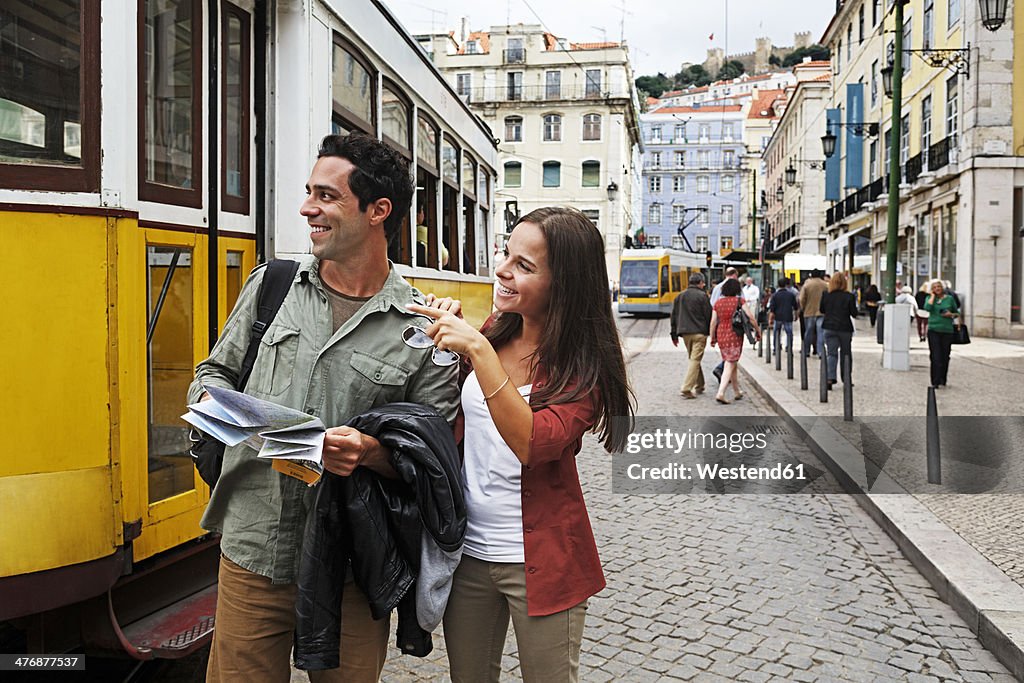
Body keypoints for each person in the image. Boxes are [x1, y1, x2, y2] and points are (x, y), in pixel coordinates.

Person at [188, 133, 460, 683]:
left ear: (378, 210)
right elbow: (210, 378)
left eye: (327, 196)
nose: (307, 207)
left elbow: (431, 460)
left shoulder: (422, 327)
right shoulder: (273, 285)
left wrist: (369, 453)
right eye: (309, 192)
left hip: (352, 567)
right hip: (253, 550)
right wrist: (243, 421)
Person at [407, 207, 635, 683]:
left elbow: (532, 443)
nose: (502, 270)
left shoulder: (582, 369)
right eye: (506, 254)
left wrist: (477, 349)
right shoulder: (495, 331)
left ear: (563, 285)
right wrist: (446, 337)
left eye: (524, 265)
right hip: (468, 553)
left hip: (544, 560)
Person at [710, 277, 759, 404]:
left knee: (732, 361)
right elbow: (751, 317)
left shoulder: (718, 303)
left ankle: (737, 391)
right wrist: (757, 331)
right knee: (730, 362)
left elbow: (713, 322)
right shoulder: (739, 301)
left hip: (721, 333)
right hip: (735, 333)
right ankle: (721, 392)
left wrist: (713, 337)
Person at [670, 272, 713, 398]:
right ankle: (686, 388)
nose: (704, 285)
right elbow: (709, 315)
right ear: (700, 283)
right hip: (700, 333)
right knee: (695, 359)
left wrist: (674, 334)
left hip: (685, 333)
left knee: (694, 359)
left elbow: (674, 316)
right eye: (703, 283)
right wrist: (712, 333)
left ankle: (700, 385)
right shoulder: (702, 296)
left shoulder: (680, 296)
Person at [820, 272, 858, 388]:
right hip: (845, 328)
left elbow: (822, 310)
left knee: (831, 353)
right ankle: (846, 378)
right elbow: (854, 313)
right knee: (846, 354)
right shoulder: (849, 296)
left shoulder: (826, 295)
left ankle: (830, 378)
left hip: (829, 327)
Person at [924, 279, 960, 388]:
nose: (937, 289)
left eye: (938, 287)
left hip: (947, 330)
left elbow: (957, 313)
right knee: (935, 356)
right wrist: (932, 297)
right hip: (933, 330)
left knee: (945, 356)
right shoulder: (929, 299)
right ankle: (935, 381)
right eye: (934, 287)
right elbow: (927, 308)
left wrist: (951, 314)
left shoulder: (949, 299)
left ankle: (942, 378)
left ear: (942, 287)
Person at [709, 267, 740, 381]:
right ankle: (722, 370)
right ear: (734, 275)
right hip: (734, 325)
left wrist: (712, 334)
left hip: (720, 324)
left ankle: (729, 377)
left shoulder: (717, 288)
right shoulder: (736, 289)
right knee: (732, 353)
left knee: (727, 350)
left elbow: (713, 306)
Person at [799, 269, 828, 358]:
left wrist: (803, 308)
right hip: (821, 312)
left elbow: (801, 298)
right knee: (820, 332)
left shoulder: (807, 285)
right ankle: (820, 352)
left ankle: (806, 351)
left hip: (809, 311)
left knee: (808, 332)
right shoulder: (825, 285)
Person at [767, 277, 799, 353]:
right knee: (789, 332)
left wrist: (770, 319)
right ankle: (789, 347)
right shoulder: (790, 295)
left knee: (776, 332)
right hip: (788, 316)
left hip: (778, 317)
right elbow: (795, 307)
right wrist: (796, 315)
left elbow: (772, 309)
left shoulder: (775, 295)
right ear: (785, 285)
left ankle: (776, 347)